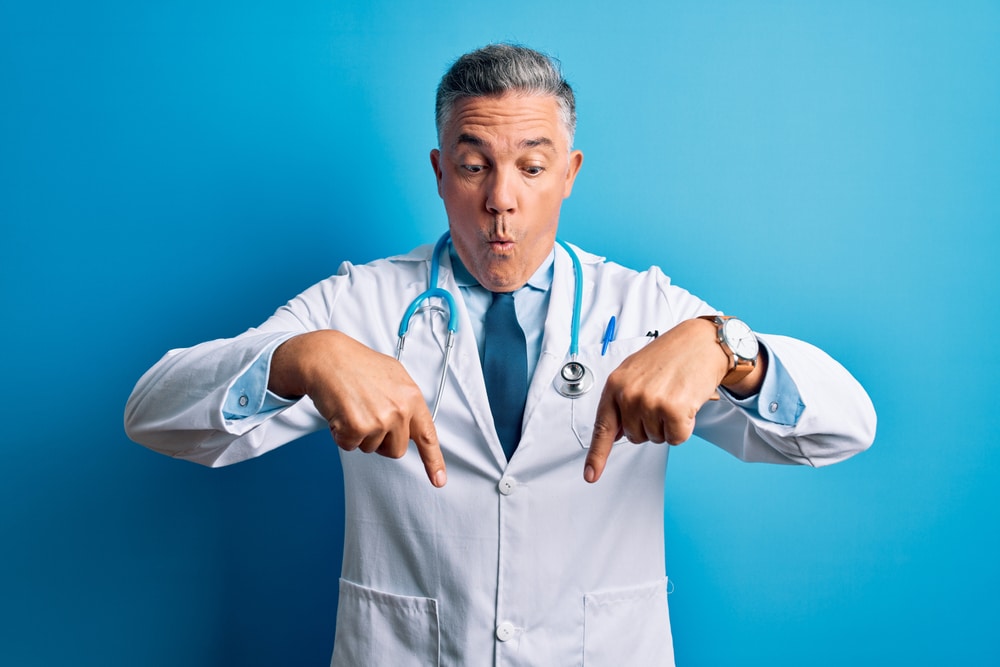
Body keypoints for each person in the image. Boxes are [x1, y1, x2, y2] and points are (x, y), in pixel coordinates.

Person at [125, 43, 876, 666]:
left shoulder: (648, 310)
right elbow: (152, 411)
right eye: (476, 164)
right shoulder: (358, 307)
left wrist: (729, 347)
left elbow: (849, 426)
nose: (501, 199)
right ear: (440, 172)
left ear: (570, 174)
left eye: (532, 166)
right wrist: (299, 357)